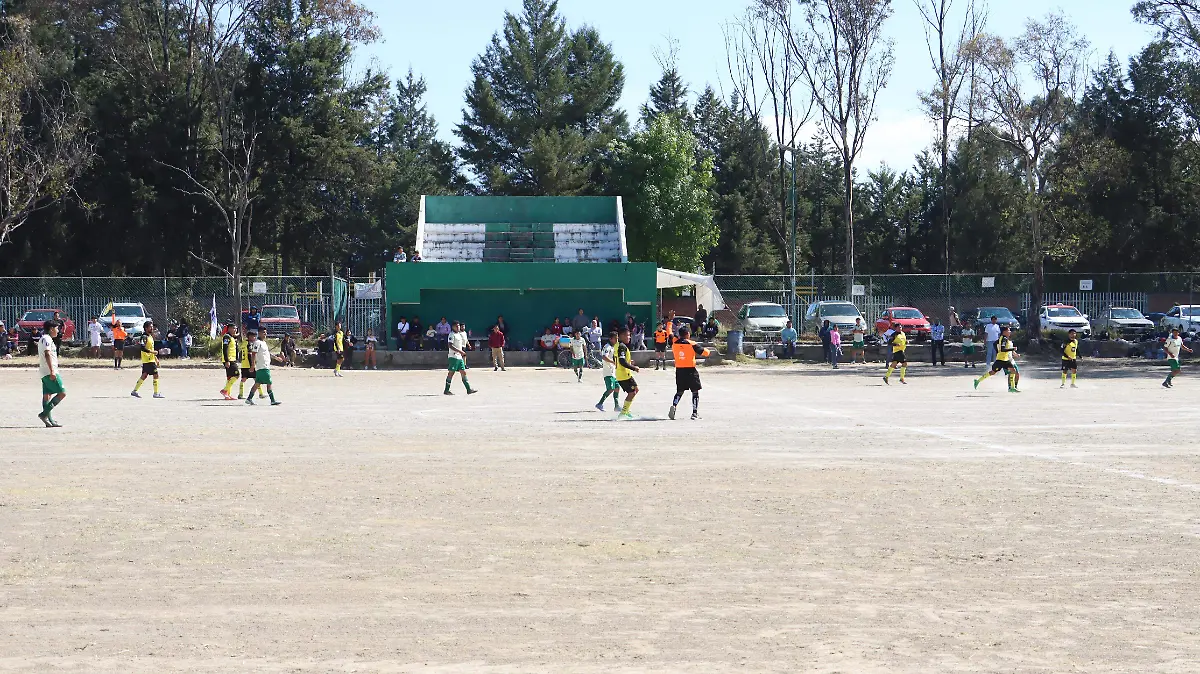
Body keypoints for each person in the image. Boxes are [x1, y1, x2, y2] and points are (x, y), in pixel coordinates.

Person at [669, 325, 710, 420]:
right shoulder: (692, 344)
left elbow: (670, 334)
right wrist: (706, 350)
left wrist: (670, 323)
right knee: (695, 391)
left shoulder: (674, 343)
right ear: (688, 334)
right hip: (690, 370)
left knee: (680, 391)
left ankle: (674, 405)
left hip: (679, 370)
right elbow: (705, 353)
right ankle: (694, 413)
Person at [37, 320, 66, 428]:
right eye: (57, 328)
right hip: (49, 371)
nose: (58, 331)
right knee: (62, 393)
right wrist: (52, 371)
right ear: (51, 329)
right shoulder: (46, 339)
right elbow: (47, 354)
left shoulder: (46, 339)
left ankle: (50, 421)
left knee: (47, 395)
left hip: (44, 371)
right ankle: (44, 415)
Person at [974, 326, 1020, 393]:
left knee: (1013, 370)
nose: (1010, 332)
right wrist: (1012, 349)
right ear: (1004, 332)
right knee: (992, 372)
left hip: (1005, 359)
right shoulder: (1004, 339)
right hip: (1000, 360)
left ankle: (1012, 388)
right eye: (1008, 330)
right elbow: (1002, 349)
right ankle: (978, 381)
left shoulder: (1003, 338)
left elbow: (996, 344)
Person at [244, 329, 282, 406]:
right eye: (263, 332)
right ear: (259, 333)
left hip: (265, 366)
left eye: (266, 332)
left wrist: (276, 358)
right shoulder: (257, 343)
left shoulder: (263, 343)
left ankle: (249, 398)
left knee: (258, 383)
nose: (265, 334)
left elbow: (267, 353)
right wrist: (252, 365)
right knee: (269, 382)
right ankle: (272, 400)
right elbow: (253, 354)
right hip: (262, 366)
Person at [130, 320, 164, 399]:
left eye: (152, 327)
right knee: (156, 375)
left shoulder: (150, 337)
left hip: (150, 359)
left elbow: (151, 348)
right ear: (146, 328)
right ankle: (156, 393)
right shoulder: (144, 337)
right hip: (148, 360)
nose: (152, 328)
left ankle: (134, 391)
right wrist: (152, 352)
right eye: (150, 327)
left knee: (144, 375)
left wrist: (156, 359)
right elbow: (142, 348)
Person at [445, 321, 477, 395]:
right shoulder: (451, 335)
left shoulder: (459, 334)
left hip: (459, 357)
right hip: (453, 356)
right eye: (457, 326)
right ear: (453, 327)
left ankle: (468, 389)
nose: (458, 327)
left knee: (463, 371)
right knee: (451, 373)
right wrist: (460, 351)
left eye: (459, 326)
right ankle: (446, 390)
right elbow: (450, 345)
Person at [615, 327, 641, 419]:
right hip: (624, 374)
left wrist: (629, 362)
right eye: (627, 335)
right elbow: (621, 361)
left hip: (622, 374)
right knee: (632, 392)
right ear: (621, 336)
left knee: (635, 390)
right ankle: (623, 412)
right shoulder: (621, 347)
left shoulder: (618, 345)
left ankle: (626, 411)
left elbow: (619, 360)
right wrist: (634, 368)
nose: (629, 337)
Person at [595, 331, 623, 412]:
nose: (617, 340)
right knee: (610, 389)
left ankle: (616, 406)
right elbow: (604, 357)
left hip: (613, 372)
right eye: (615, 338)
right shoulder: (607, 347)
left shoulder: (614, 347)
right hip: (608, 372)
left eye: (617, 338)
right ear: (611, 339)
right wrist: (612, 362)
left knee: (617, 387)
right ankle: (600, 404)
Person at [219, 323, 240, 400]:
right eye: (233, 328)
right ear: (229, 329)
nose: (235, 330)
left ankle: (227, 394)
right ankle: (224, 390)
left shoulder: (232, 337)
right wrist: (227, 360)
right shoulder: (227, 337)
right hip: (229, 359)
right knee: (236, 375)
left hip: (232, 359)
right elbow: (225, 349)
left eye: (235, 328)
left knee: (230, 377)